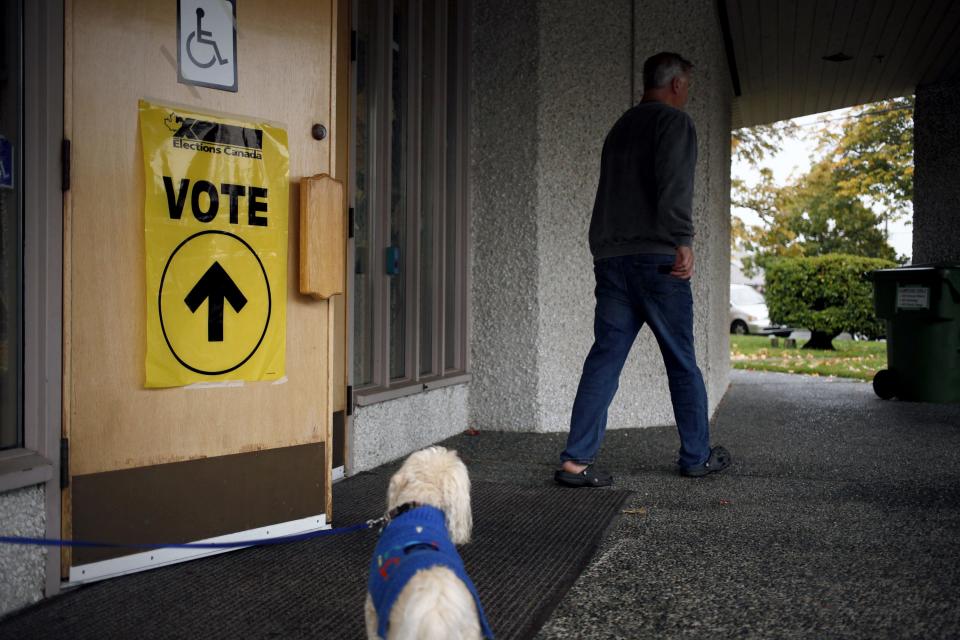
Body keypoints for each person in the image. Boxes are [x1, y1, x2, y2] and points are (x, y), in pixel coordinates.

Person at [554, 52, 731, 488]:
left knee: (605, 358)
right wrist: (683, 240)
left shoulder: (620, 128)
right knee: (682, 360)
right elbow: (675, 184)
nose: (687, 93)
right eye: (687, 85)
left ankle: (575, 462)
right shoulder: (674, 122)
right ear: (675, 84)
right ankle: (696, 456)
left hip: (612, 260)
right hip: (658, 260)